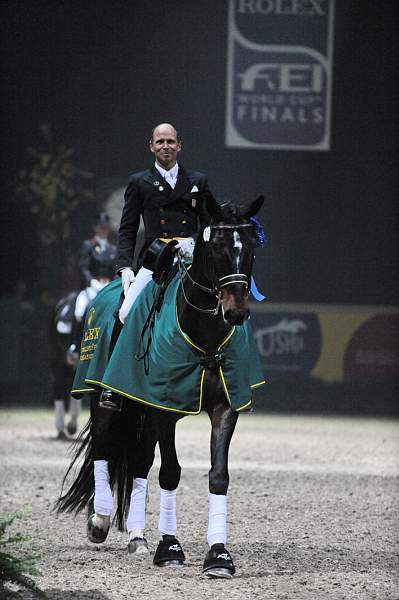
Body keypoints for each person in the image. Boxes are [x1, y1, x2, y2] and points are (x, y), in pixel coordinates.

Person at [99, 122, 216, 411]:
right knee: (125, 311)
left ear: (180, 145)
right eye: (160, 141)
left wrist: (200, 241)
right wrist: (125, 267)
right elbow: (127, 230)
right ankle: (112, 386)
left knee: (227, 306)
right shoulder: (140, 182)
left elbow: (210, 222)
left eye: (170, 141)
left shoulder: (197, 180)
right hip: (155, 260)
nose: (166, 146)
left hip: (190, 260)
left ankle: (228, 381)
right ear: (151, 146)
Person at [74, 212, 117, 324]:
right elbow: (83, 268)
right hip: (91, 287)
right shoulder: (88, 245)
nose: (103, 229)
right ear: (95, 228)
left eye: (105, 227)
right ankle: (76, 341)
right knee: (79, 312)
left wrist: (113, 284)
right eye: (101, 227)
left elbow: (115, 271)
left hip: (108, 286)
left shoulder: (113, 250)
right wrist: (91, 281)